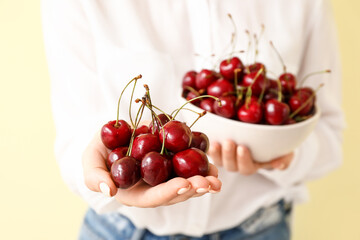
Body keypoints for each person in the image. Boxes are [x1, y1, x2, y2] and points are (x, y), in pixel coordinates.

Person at [42, 0, 344, 239]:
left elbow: (329, 134)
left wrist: (282, 157)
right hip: (119, 231)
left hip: (259, 229)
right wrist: (103, 179)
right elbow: (74, 139)